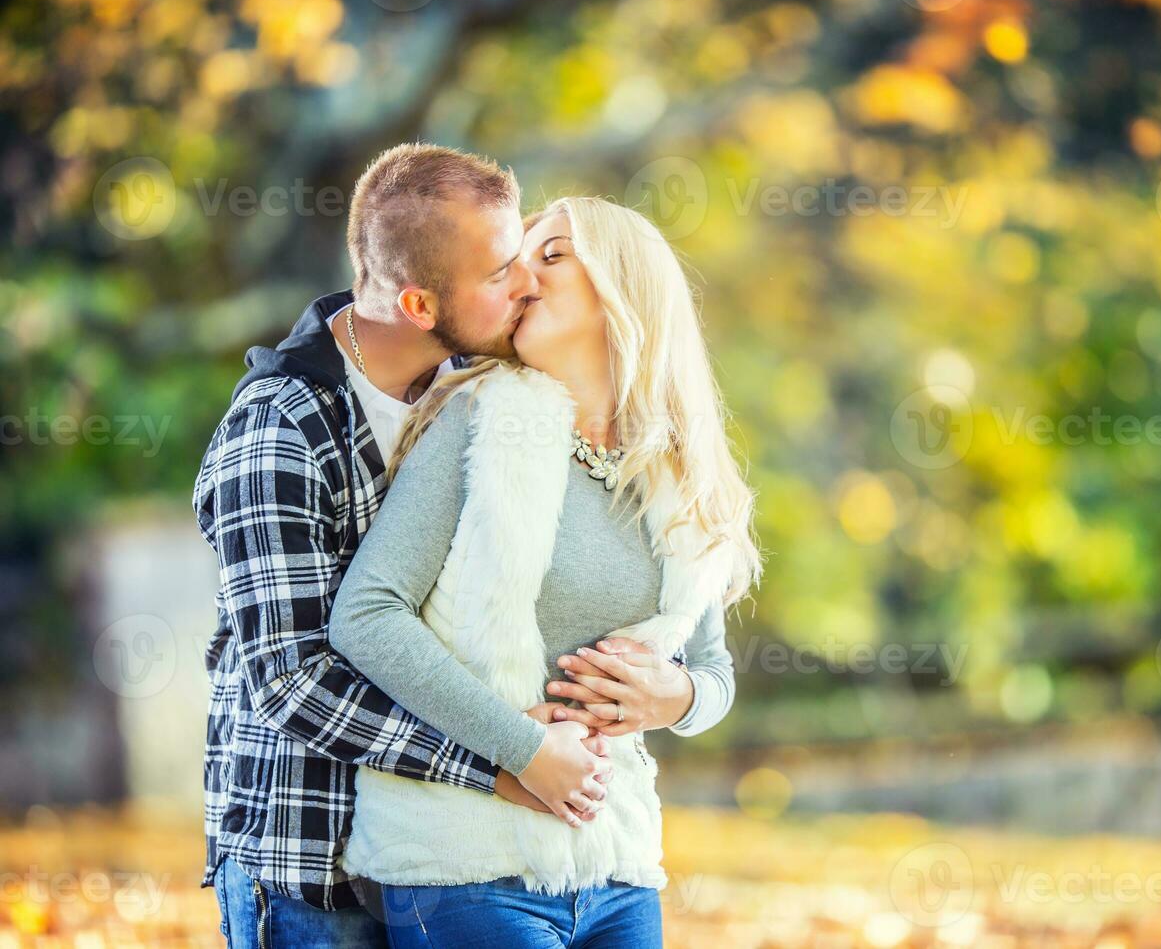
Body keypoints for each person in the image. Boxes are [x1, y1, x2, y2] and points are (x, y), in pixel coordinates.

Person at [192, 146, 698, 947]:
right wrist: (508, 760)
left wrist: (674, 695)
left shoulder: (478, 388)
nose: (527, 281)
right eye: (504, 271)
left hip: (449, 849)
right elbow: (294, 683)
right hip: (310, 863)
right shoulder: (279, 433)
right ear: (422, 304)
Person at [327, 196, 761, 948]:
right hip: (464, 862)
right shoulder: (479, 421)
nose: (521, 275)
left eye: (552, 254)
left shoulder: (676, 473)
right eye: (517, 257)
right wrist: (525, 751)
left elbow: (713, 672)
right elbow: (367, 614)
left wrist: (678, 694)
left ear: (623, 287)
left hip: (615, 862)